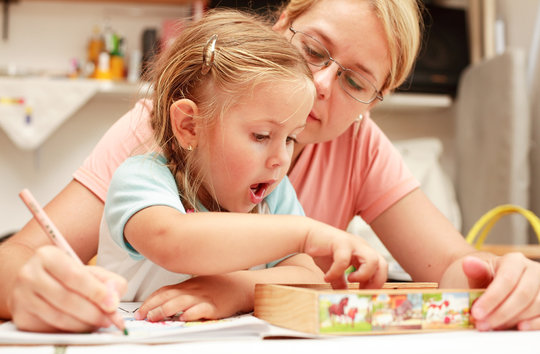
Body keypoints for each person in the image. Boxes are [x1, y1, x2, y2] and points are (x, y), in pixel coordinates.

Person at [1, 0, 539, 333]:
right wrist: (32, 285)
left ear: (374, 102)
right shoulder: (165, 132)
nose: (322, 87)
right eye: (313, 49)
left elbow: (453, 268)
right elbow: (20, 255)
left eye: (355, 82)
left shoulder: (356, 149)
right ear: (281, 26)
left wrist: (504, 281)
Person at [96, 9, 385, 311]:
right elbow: (172, 240)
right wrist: (306, 234)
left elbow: (310, 276)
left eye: (290, 138)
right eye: (261, 136)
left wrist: (239, 290)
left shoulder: (275, 195)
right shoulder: (141, 178)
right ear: (189, 126)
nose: (280, 159)